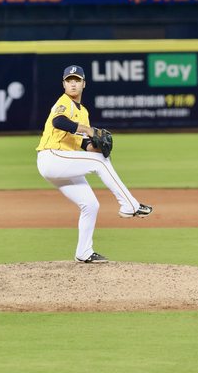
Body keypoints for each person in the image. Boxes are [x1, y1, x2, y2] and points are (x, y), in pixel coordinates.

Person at [36, 65, 153, 264]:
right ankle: (130, 205)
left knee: (90, 204)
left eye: (77, 80)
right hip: (51, 157)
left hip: (63, 163)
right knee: (100, 163)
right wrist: (88, 130)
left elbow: (82, 143)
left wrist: (95, 147)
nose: (73, 84)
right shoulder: (63, 102)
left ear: (84, 84)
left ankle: (84, 252)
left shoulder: (83, 112)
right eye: (69, 81)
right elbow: (58, 122)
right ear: (63, 84)